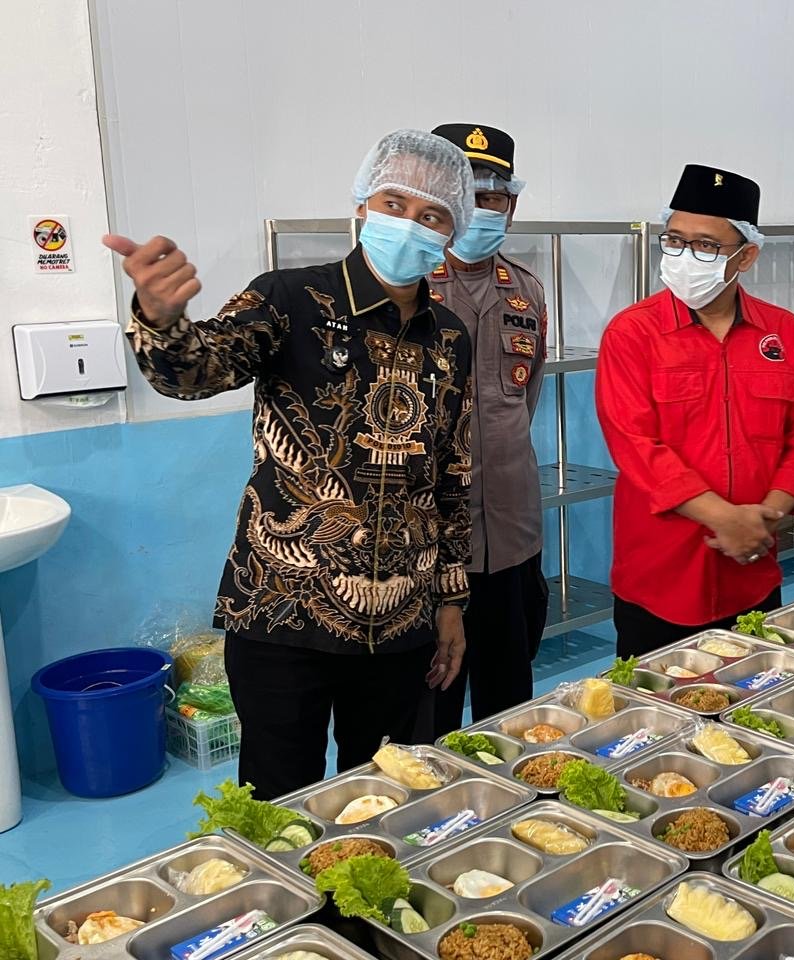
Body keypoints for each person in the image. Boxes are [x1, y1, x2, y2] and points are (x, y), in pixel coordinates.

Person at [103, 130, 475, 799]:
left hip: (401, 621)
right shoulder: (290, 298)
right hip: (281, 612)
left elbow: (451, 477)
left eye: (432, 215)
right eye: (395, 203)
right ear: (363, 204)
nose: (410, 224)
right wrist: (160, 319)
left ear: (452, 232)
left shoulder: (449, 337)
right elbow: (196, 372)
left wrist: (450, 602)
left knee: (382, 796)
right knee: (278, 800)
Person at [596, 164, 794, 659]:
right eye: (674, 240)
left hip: (752, 567)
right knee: (653, 700)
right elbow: (634, 443)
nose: (685, 256)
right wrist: (725, 519)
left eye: (706, 245)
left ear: (746, 256)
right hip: (661, 573)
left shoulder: (784, 332)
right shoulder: (632, 332)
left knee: (755, 691)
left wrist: (768, 514)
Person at [402, 123, 548, 737]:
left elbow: (524, 402)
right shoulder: (405, 288)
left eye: (494, 196)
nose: (482, 208)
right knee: (425, 709)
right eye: (468, 194)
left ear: (510, 205)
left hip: (511, 537)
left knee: (509, 705)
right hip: (425, 547)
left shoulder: (527, 292)